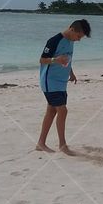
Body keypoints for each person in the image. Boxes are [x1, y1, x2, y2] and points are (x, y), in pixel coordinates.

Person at [36, 19, 90, 155]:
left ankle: (41, 143)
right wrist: (55, 60)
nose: (78, 40)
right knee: (62, 111)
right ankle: (63, 145)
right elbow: (42, 59)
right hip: (50, 81)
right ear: (72, 30)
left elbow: (68, 59)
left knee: (51, 111)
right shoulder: (54, 41)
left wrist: (71, 73)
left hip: (61, 82)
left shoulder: (70, 41)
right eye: (78, 36)